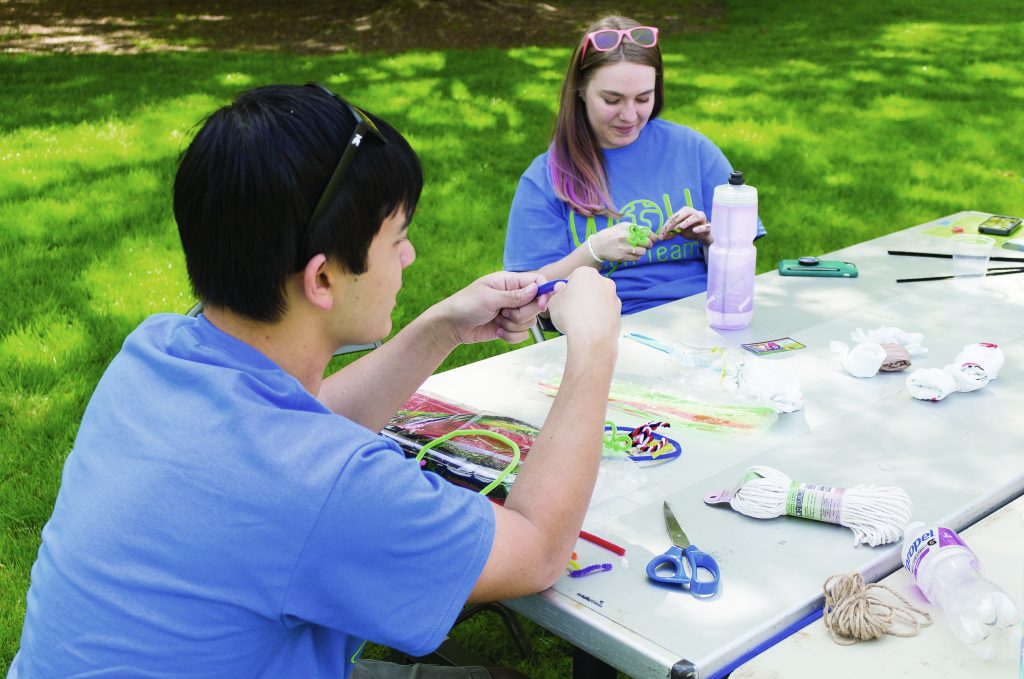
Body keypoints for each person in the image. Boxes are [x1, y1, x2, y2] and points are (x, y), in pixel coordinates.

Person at [8, 83, 620, 678]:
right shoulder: (329, 488)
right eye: (398, 239)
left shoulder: (156, 352)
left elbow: (303, 431)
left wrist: (442, 328)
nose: (409, 257)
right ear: (322, 278)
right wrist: (593, 347)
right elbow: (538, 551)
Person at [504, 15, 766, 316]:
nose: (629, 116)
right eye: (612, 100)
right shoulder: (545, 178)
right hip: (607, 328)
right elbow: (529, 301)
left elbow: (741, 268)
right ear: (581, 90)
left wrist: (710, 239)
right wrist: (593, 251)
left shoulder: (693, 150)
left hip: (708, 316)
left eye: (643, 98)